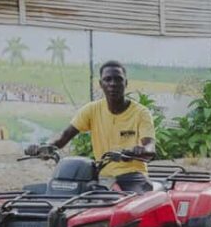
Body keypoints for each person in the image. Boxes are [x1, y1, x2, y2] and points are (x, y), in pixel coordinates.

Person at [28, 60, 156, 193]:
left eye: (118, 79)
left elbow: (150, 147)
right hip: (102, 176)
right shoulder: (91, 110)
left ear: (126, 83)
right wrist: (43, 148)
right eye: (108, 79)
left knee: (133, 206)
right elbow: (62, 139)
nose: (113, 84)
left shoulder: (141, 113)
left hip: (132, 176)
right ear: (101, 84)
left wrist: (141, 150)